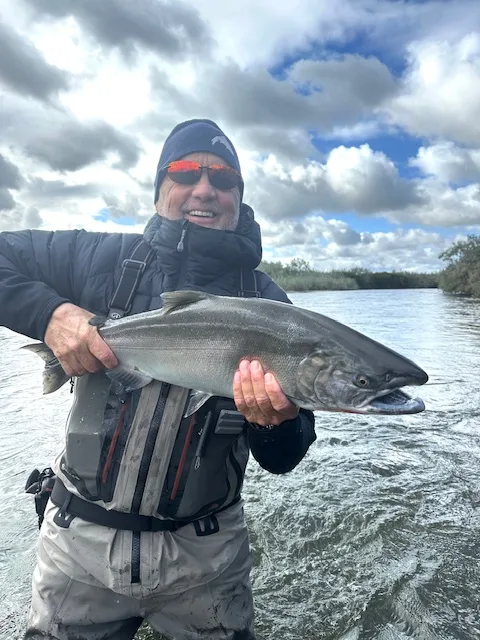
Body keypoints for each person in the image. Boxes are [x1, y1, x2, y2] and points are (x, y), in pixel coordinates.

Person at [0, 119, 316, 640]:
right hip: (78, 543)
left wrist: (274, 423)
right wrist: (50, 314)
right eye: (186, 172)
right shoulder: (98, 257)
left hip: (208, 556)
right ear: (159, 188)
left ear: (238, 197)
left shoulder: (270, 306)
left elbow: (284, 457)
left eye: (223, 179)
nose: (205, 189)